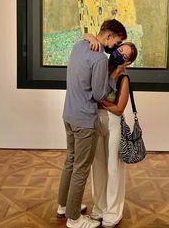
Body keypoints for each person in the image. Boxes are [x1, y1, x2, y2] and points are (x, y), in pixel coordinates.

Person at [57, 19, 127, 228]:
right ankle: (74, 219)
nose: (116, 46)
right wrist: (114, 77)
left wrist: (87, 36)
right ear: (109, 36)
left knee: (70, 161)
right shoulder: (99, 59)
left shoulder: (79, 45)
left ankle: (64, 206)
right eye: (117, 41)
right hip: (84, 120)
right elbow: (98, 93)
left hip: (68, 114)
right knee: (81, 168)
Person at [90, 42, 138, 228]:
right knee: (98, 166)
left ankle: (113, 211)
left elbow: (119, 109)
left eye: (125, 55)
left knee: (113, 168)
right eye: (120, 50)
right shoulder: (101, 69)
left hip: (113, 125)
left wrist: (100, 101)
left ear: (128, 62)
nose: (120, 54)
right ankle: (99, 207)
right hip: (95, 123)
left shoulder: (123, 79)